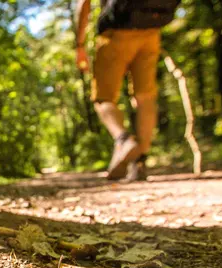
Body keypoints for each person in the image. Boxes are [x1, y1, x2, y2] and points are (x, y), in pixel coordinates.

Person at [75, 0, 181, 181]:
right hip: (151, 33)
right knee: (145, 97)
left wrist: (79, 44)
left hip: (116, 32)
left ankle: (123, 141)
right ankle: (139, 161)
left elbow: (83, 3)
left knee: (102, 98)